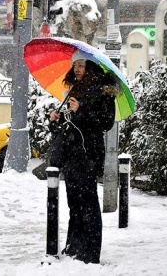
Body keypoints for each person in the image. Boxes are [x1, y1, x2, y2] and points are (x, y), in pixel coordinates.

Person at [48, 51, 117, 264]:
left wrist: (82, 109)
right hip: (71, 154)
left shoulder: (103, 92)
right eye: (75, 65)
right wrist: (56, 120)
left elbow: (105, 122)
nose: (77, 69)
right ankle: (73, 247)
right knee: (74, 203)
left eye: (82, 65)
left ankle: (90, 252)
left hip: (88, 154)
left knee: (88, 203)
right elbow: (71, 125)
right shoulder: (74, 90)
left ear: (91, 67)